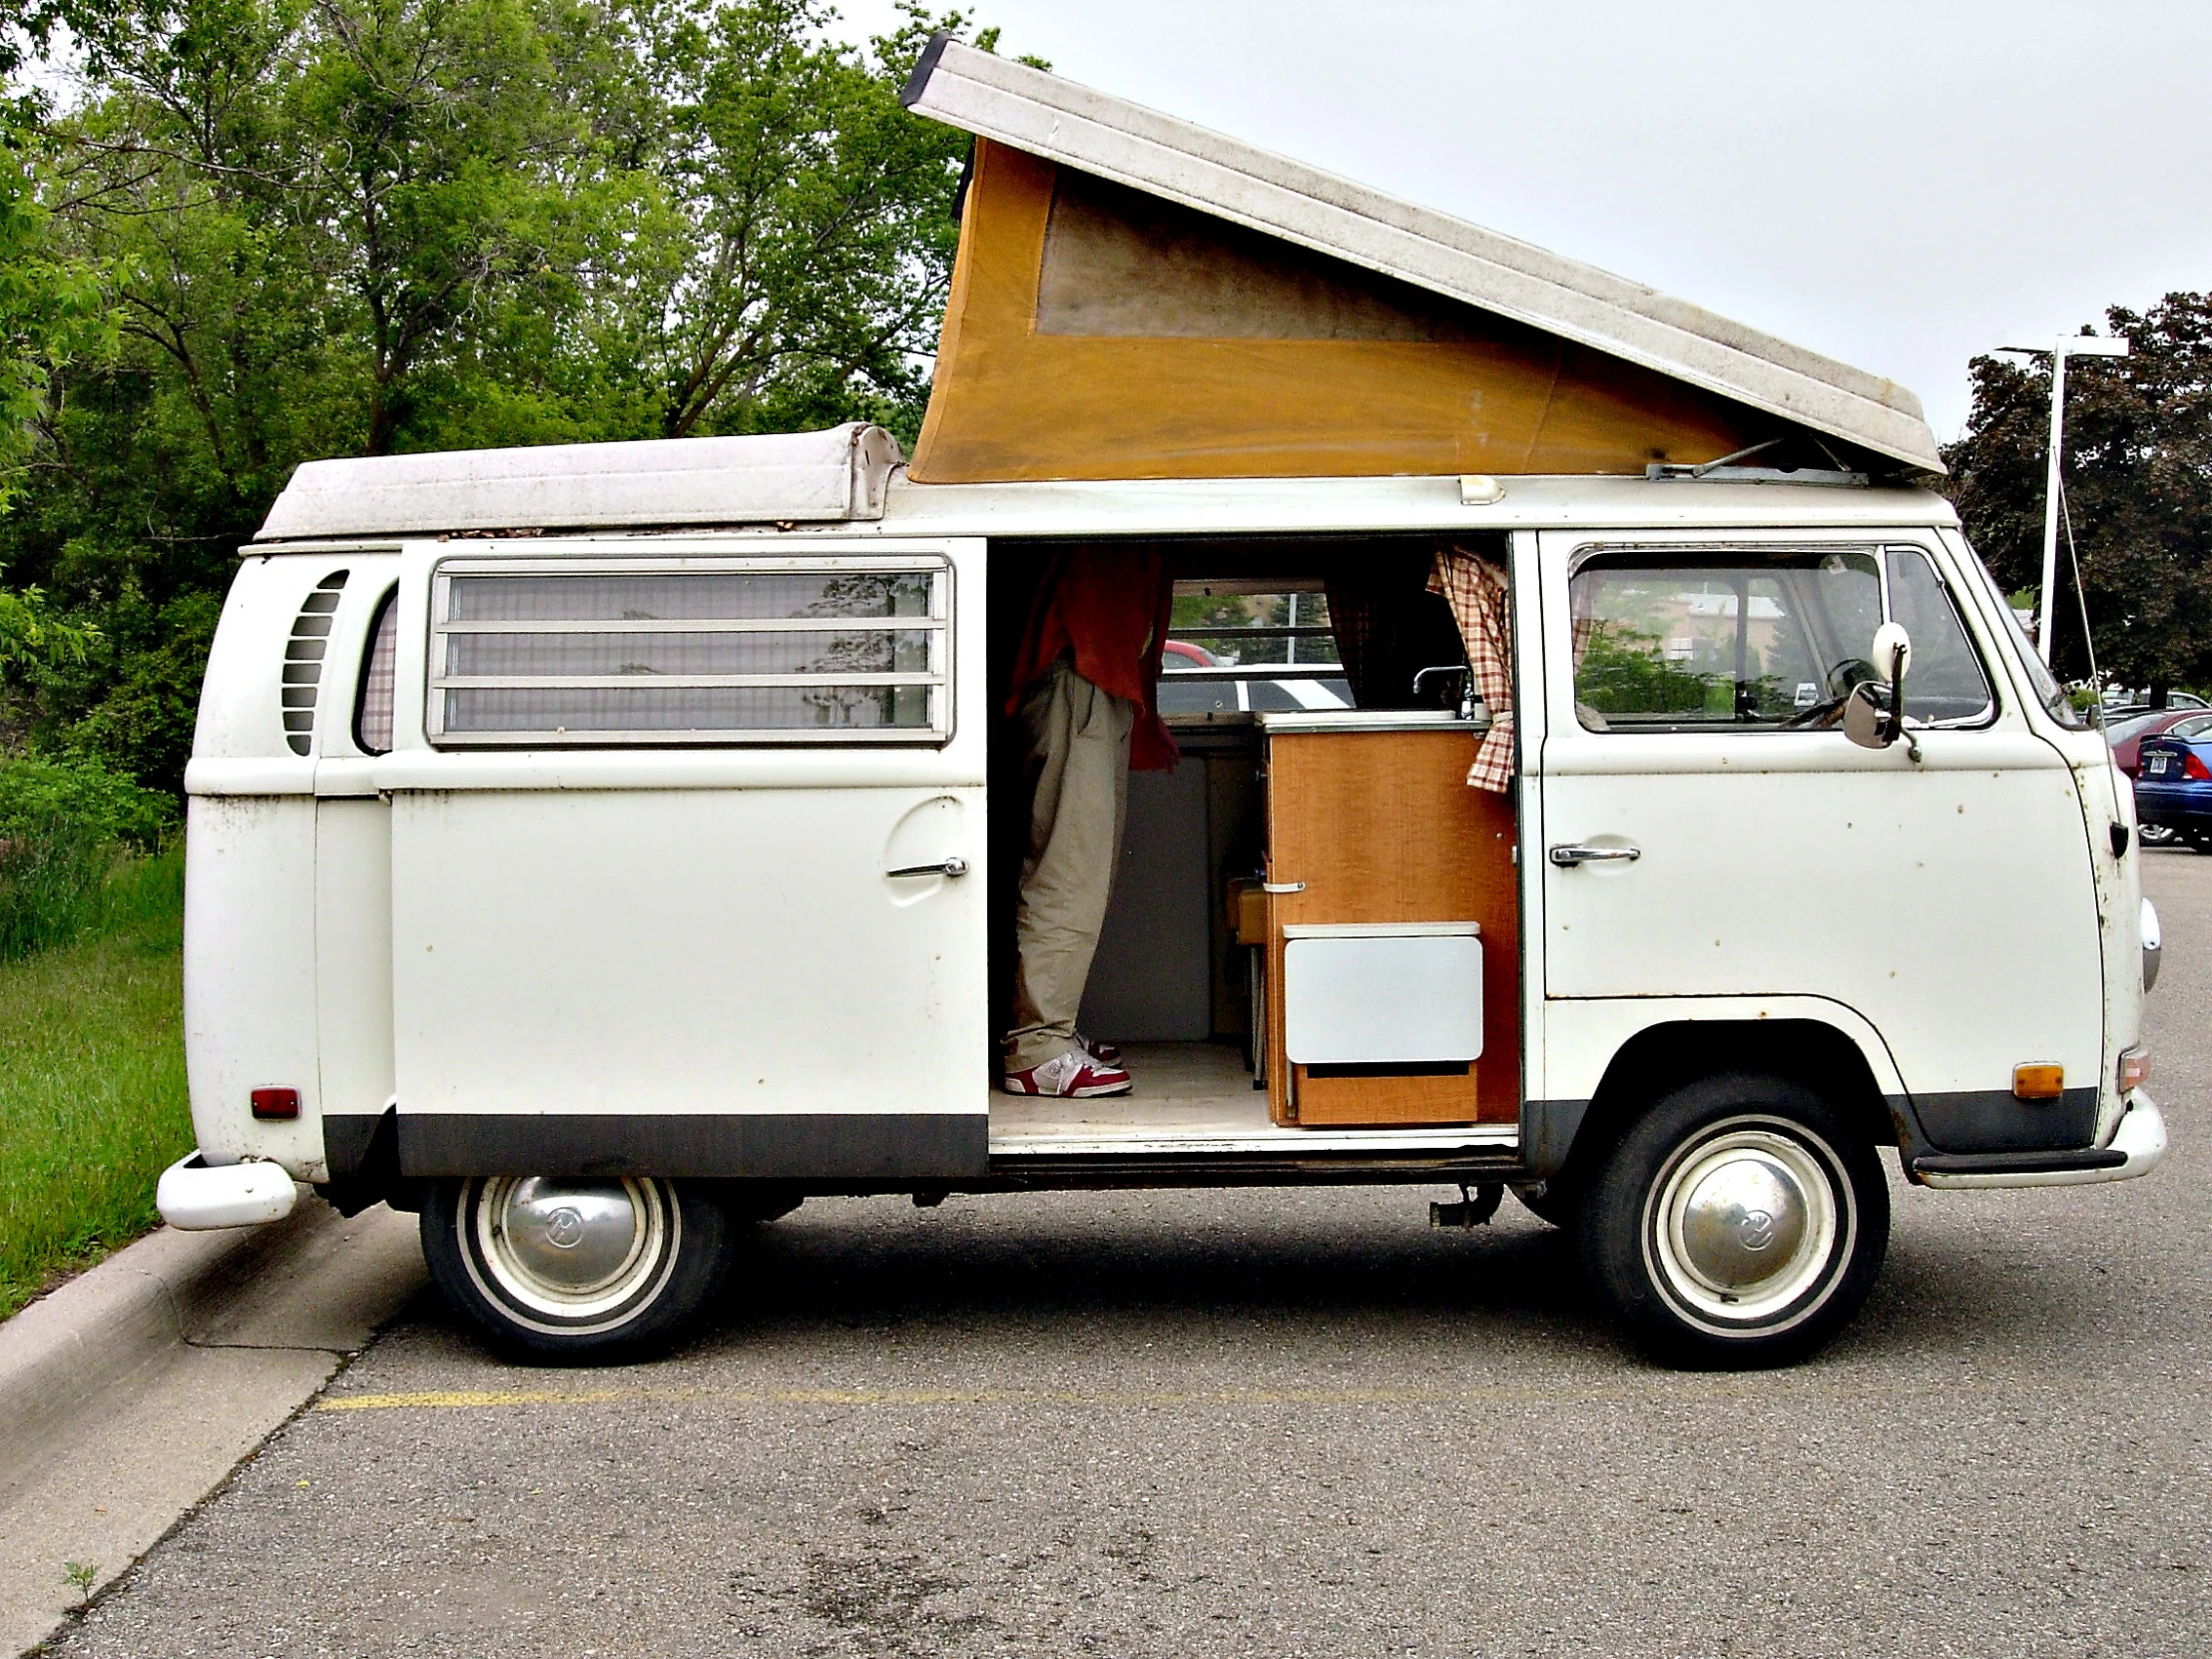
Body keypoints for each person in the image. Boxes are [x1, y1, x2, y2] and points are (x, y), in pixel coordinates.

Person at [1001, 547, 1177, 1098]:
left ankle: (1051, 1030)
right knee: (1070, 868)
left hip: (1094, 673)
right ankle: (1036, 1048)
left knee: (1081, 864)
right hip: (1080, 671)